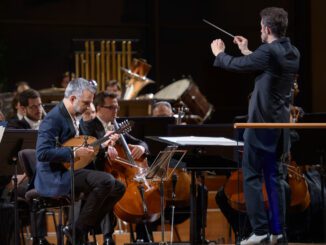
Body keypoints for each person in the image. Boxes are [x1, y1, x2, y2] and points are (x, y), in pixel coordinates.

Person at [210, 7, 300, 245]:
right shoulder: (292, 51)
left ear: (267, 29)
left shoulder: (268, 52)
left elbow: (238, 66)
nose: (260, 30)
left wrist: (220, 54)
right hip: (280, 127)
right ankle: (277, 232)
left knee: (251, 175)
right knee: (275, 177)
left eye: (261, 27)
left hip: (260, 126)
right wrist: (246, 50)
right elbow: (263, 63)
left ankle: (260, 231)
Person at [34, 78, 126, 245]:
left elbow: (83, 147)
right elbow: (42, 153)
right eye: (86, 102)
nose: (88, 107)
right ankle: (78, 231)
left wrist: (102, 146)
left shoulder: (74, 115)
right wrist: (74, 151)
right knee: (106, 181)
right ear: (73, 99)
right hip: (55, 176)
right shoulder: (53, 119)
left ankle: (80, 228)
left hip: (70, 169)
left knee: (119, 187)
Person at [80, 91, 149, 244]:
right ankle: (107, 236)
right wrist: (104, 147)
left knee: (125, 188)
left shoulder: (117, 125)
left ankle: (142, 236)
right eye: (111, 107)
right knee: (109, 185)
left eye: (117, 107)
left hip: (117, 174)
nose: (115, 111)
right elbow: (87, 151)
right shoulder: (88, 126)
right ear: (98, 108)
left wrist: (141, 148)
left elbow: (142, 142)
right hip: (92, 173)